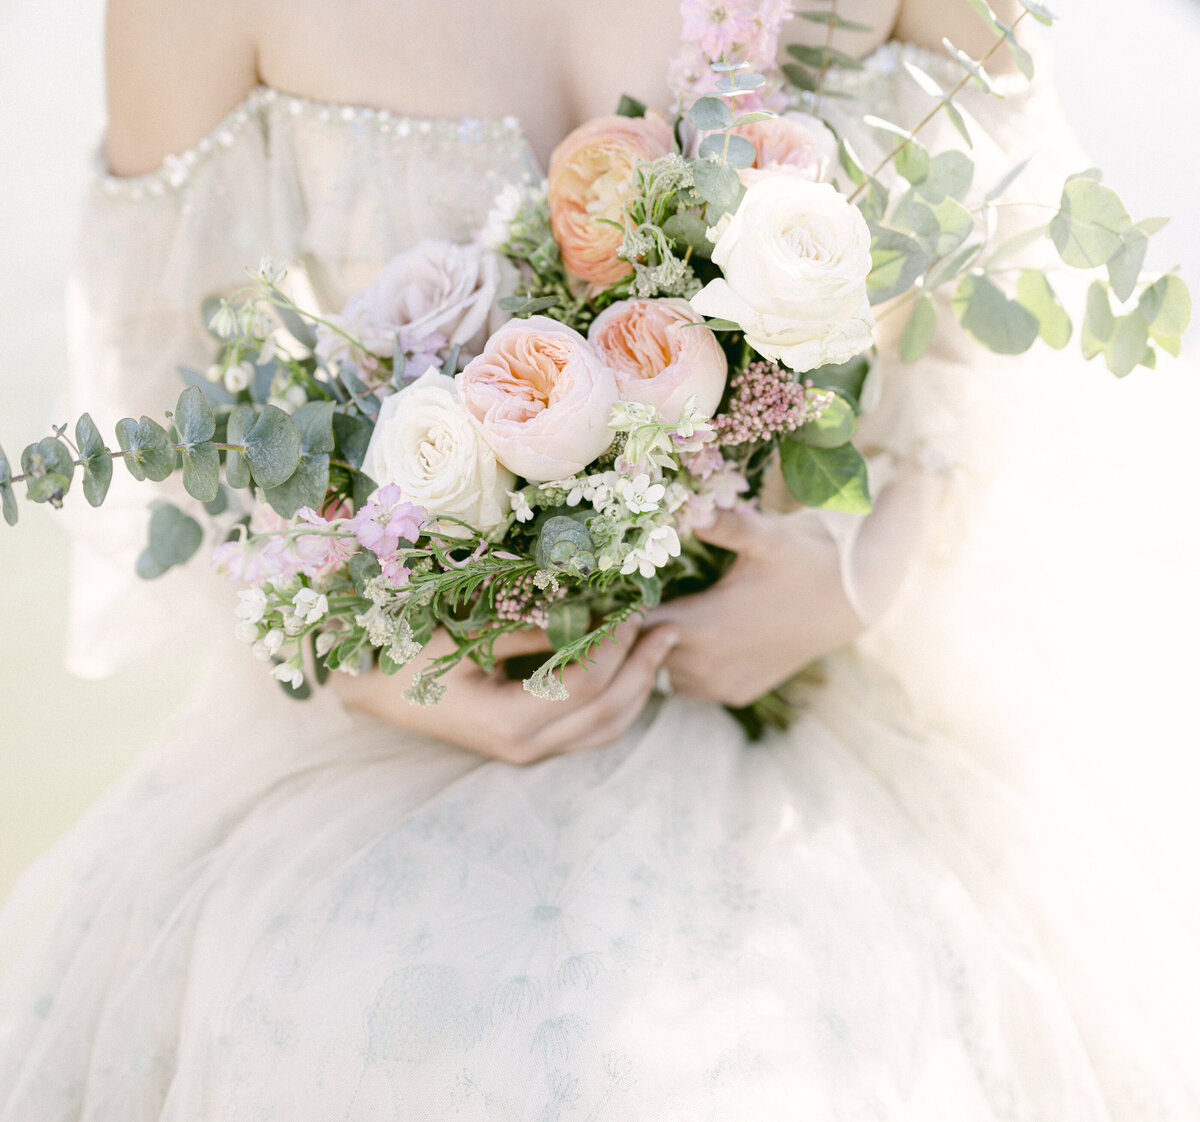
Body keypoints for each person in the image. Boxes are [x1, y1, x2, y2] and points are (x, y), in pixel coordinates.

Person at [1, 0, 1198, 1117]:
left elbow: (1019, 277)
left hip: (830, 691)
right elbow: (179, 423)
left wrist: (860, 574)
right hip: (408, 716)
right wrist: (375, 661)